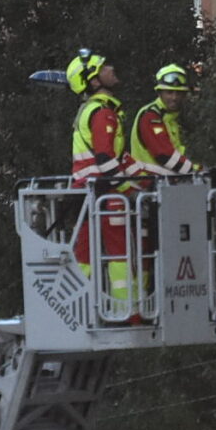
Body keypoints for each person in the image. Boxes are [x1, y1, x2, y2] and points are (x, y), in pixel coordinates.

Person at [66, 49, 138, 316]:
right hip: (103, 196)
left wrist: (146, 178)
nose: (111, 68)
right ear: (94, 81)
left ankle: (74, 311)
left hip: (89, 194)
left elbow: (119, 157)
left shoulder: (94, 110)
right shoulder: (102, 113)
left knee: (83, 254)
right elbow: (106, 159)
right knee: (120, 253)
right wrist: (129, 190)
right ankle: (126, 311)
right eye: (104, 67)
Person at [129, 64, 201, 177]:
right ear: (159, 93)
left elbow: (175, 154)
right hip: (151, 185)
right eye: (169, 92)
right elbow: (164, 154)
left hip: (164, 184)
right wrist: (196, 170)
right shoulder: (151, 116)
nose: (174, 97)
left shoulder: (169, 117)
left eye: (179, 93)